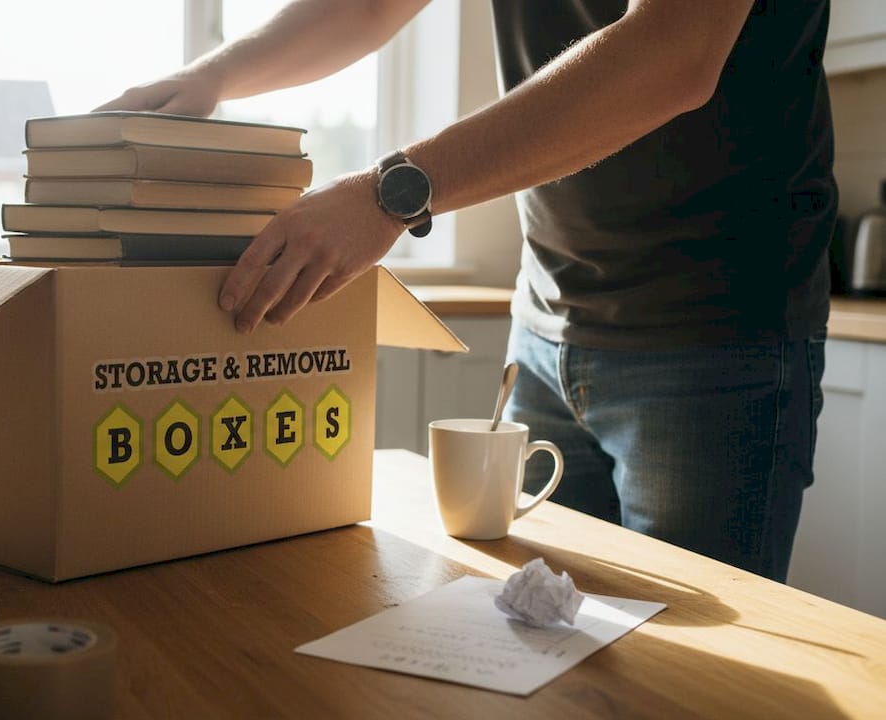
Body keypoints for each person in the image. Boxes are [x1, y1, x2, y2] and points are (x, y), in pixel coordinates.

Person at [97, 0, 835, 583]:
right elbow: (368, 6)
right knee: (542, 645)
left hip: (718, 335)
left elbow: (675, 51)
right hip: (545, 326)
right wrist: (213, 77)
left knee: (697, 684)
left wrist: (387, 196)